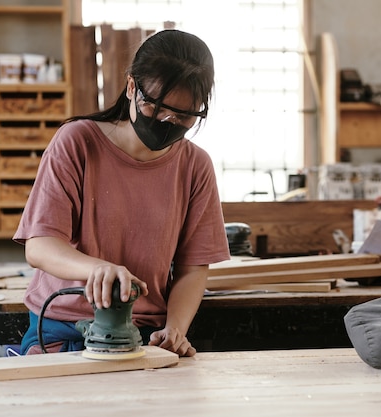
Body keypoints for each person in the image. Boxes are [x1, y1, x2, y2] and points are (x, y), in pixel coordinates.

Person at [13, 29, 230, 357]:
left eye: (184, 116)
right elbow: (40, 246)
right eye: (157, 108)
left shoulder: (195, 165)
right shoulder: (77, 143)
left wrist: (175, 329)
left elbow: (193, 267)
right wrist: (97, 269)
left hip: (144, 335)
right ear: (132, 87)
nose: (168, 122)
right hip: (67, 327)